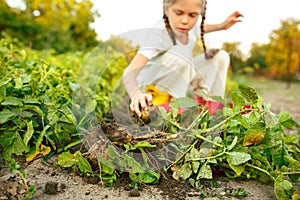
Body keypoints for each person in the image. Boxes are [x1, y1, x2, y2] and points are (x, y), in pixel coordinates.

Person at [122, 0, 243, 117]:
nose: (185, 21)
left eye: (193, 15)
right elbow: (129, 72)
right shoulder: (159, 33)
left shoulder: (189, 27)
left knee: (220, 57)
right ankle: (168, 108)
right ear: (166, 9)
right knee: (182, 54)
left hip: (177, 80)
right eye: (178, 13)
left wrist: (222, 26)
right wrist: (136, 94)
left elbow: (200, 28)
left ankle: (213, 108)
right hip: (151, 91)